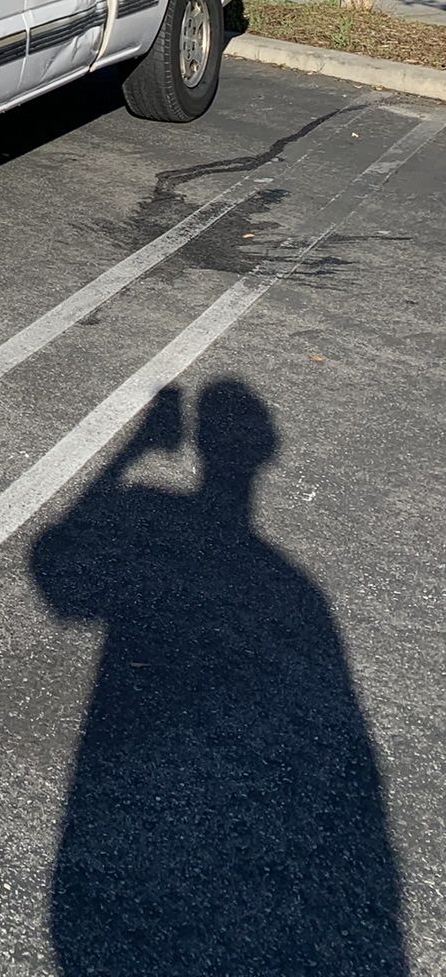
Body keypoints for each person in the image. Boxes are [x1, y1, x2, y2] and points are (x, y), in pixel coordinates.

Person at [30, 381, 406, 976]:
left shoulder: (274, 577)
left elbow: (60, 577)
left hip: (131, 836)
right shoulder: (294, 588)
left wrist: (132, 453)